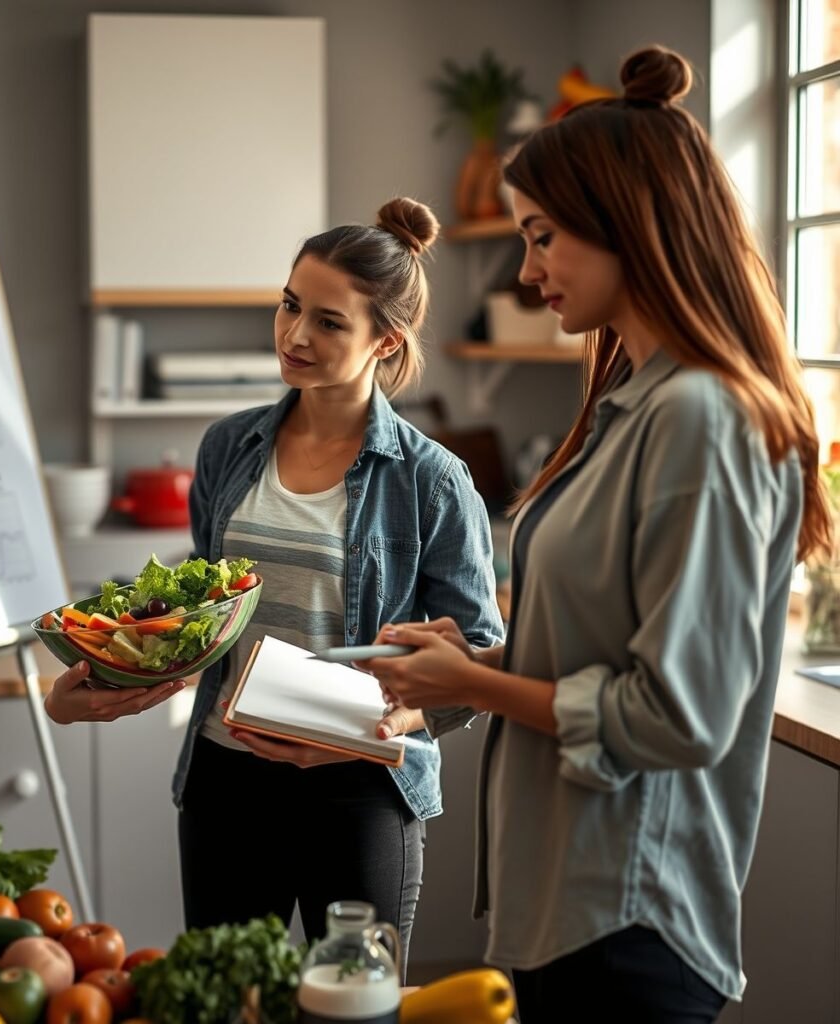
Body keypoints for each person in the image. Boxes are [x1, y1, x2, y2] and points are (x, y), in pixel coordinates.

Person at [363, 47, 832, 1023]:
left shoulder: (701, 419)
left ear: (627, 227)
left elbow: (676, 715)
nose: (527, 271)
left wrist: (475, 686)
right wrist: (482, 652)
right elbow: (609, 647)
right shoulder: (631, 402)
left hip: (628, 919)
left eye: (541, 238)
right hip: (565, 905)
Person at [45, 196, 504, 972]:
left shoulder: (433, 481)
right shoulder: (229, 445)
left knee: (353, 1010)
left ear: (384, 341)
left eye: (329, 321)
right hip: (226, 785)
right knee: (223, 1002)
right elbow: (202, 619)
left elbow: (481, 662)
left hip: (359, 793)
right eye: (290, 306)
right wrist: (91, 685)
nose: (295, 335)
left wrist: (375, 730)